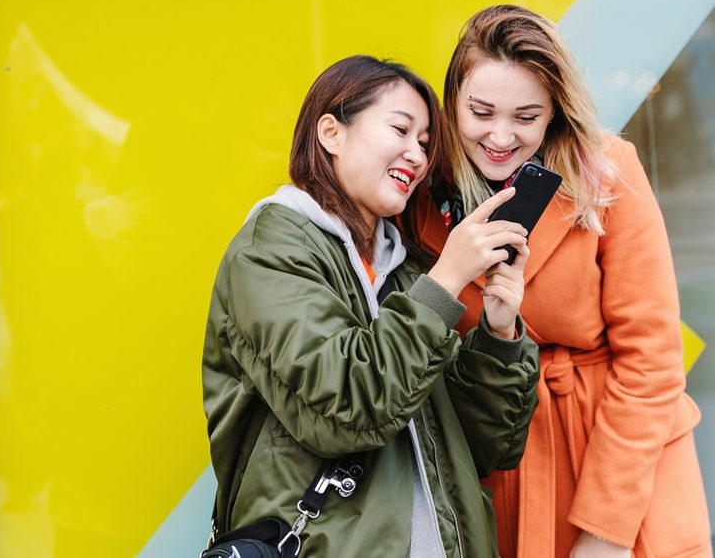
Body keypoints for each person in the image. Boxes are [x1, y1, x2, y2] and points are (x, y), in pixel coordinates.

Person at [202, 55, 540, 557]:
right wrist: (446, 280)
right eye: (401, 130)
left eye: (425, 143)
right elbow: (348, 408)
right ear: (331, 133)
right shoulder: (269, 251)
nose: (417, 156)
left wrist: (497, 332)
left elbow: (485, 450)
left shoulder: (404, 271)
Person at [408, 6, 712, 557]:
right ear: (453, 105)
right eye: (481, 112)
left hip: (620, 460)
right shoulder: (425, 198)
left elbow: (652, 361)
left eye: (526, 116)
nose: (500, 136)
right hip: (505, 457)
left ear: (554, 113)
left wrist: (606, 530)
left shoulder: (605, 171)